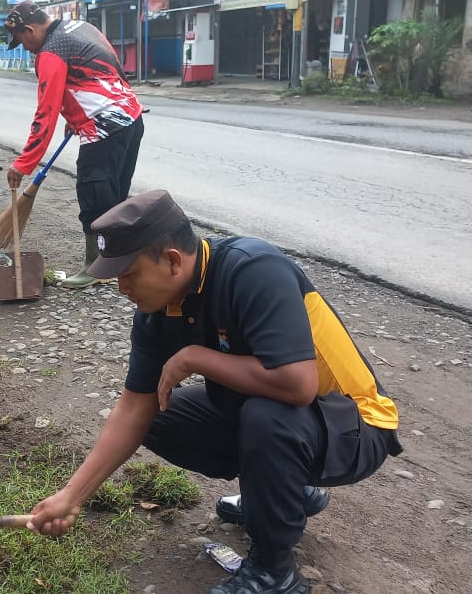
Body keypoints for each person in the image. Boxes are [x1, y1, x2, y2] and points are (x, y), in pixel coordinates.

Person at [26, 190, 403, 594]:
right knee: (161, 413)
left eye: (129, 274)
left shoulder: (254, 270)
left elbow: (297, 385)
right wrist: (72, 496)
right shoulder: (157, 310)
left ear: (172, 260)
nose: (122, 289)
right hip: (296, 422)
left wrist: (194, 357)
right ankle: (282, 496)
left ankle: (274, 572)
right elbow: (135, 406)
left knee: (267, 416)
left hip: (355, 423)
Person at [2, 1, 146, 289]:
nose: (26, 48)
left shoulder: (50, 52)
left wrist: (24, 163)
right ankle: (121, 260)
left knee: (93, 197)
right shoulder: (81, 27)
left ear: (29, 29)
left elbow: (45, 114)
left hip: (103, 129)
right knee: (115, 195)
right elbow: (106, 68)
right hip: (131, 116)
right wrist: (76, 113)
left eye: (21, 41)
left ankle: (94, 269)